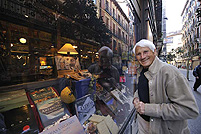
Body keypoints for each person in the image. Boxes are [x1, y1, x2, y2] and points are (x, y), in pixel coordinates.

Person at [132, 39, 199, 134]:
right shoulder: (141, 70)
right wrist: (136, 98)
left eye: (146, 52)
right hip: (143, 126)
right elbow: (143, 89)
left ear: (154, 51)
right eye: (139, 54)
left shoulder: (169, 72)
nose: (142, 57)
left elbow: (189, 110)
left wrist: (147, 109)